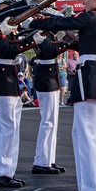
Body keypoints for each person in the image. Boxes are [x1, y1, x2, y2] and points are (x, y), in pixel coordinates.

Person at [23, 0, 96, 191]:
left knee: (85, 134)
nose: (83, 2)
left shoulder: (92, 17)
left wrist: (32, 23)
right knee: (86, 133)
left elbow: (56, 24)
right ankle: (91, 188)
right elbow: (82, 42)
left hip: (89, 75)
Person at [0, 0, 36, 189]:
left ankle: (8, 171)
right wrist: (32, 40)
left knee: (12, 127)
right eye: (10, 9)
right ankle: (2, 172)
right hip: (1, 78)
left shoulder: (5, 27)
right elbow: (4, 50)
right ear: (2, 8)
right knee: (7, 127)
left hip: (10, 77)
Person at [30, 30, 73, 176]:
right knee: (48, 122)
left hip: (50, 76)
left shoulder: (46, 34)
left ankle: (48, 159)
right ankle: (42, 161)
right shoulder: (39, 34)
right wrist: (65, 42)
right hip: (46, 77)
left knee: (52, 122)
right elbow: (49, 52)